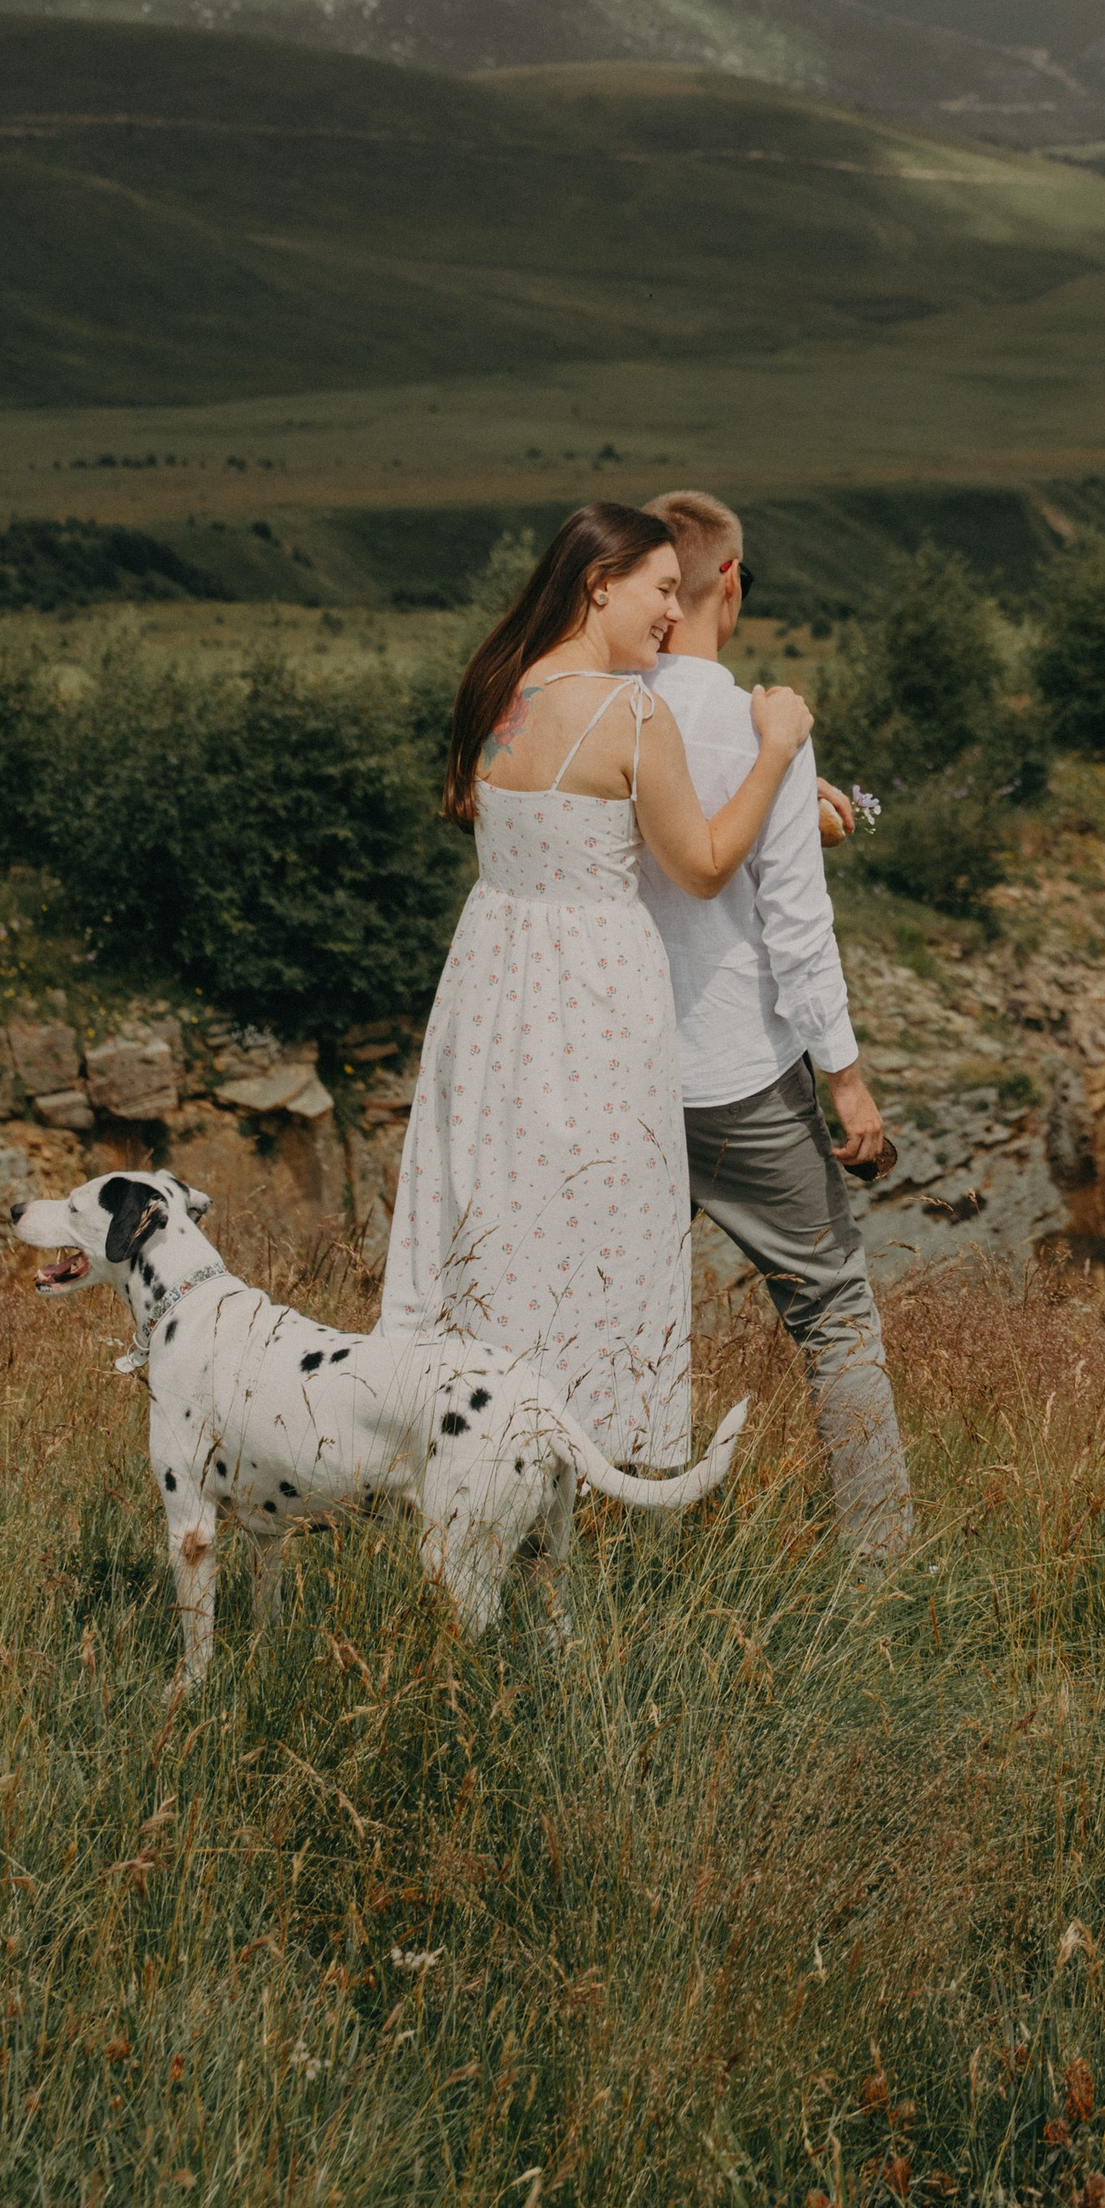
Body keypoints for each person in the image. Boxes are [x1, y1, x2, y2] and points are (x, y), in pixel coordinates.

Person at [380, 502, 814, 1477]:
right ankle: (581, 1465)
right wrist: (778, 750)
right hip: (592, 1000)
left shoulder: (499, 687)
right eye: (661, 588)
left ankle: (471, 1445)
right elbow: (700, 862)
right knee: (596, 1231)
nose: (673, 610)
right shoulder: (629, 710)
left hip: (491, 986)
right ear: (598, 582)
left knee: (497, 1223)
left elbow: (506, 812)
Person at [638, 487, 914, 1565]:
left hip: (621, 1071)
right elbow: (796, 932)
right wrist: (845, 1082)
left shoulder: (598, 708)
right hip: (741, 1078)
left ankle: (597, 1540)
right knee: (836, 1313)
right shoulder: (767, 724)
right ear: (731, 583)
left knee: (612, 1311)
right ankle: (881, 1572)